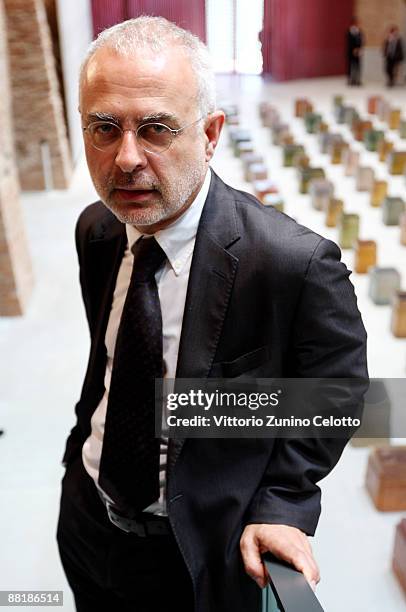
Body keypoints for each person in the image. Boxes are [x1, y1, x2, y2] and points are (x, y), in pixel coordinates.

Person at [56, 16, 368, 612]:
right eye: (104, 128)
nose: (126, 159)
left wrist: (283, 501)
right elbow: (108, 359)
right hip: (88, 521)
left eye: (156, 129)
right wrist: (77, 461)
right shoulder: (96, 231)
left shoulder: (291, 263)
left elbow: (336, 394)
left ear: (210, 133)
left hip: (198, 550)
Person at [346, 17, 364, 86]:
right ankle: (351, 79)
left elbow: (362, 41)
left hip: (358, 52)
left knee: (358, 66)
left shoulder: (359, 32)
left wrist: (359, 49)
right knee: (350, 66)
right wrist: (353, 49)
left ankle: (357, 79)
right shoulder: (349, 32)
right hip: (351, 52)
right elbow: (348, 42)